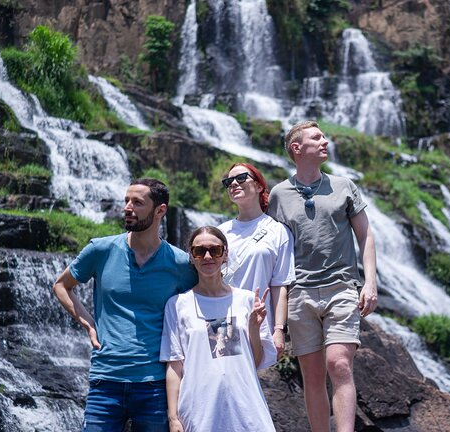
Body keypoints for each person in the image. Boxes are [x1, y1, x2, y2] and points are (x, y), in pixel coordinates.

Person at [53, 178, 197, 432]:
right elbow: (62, 286)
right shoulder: (100, 249)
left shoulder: (181, 264)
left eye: (138, 202)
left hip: (155, 384)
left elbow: (201, 305)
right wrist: (89, 324)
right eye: (126, 201)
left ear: (160, 211)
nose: (127, 207)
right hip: (105, 380)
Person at [267, 121, 378, 432]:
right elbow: (274, 252)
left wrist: (369, 282)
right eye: (317, 138)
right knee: (312, 375)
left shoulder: (344, 186)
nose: (325, 141)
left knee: (339, 364)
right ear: (297, 149)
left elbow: (365, 235)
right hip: (299, 293)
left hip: (342, 288)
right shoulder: (278, 195)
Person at [160, 226, 277, 432]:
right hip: (199, 412)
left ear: (225, 254)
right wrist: (173, 418)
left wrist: (253, 329)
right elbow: (174, 366)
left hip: (244, 409)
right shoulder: (178, 305)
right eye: (199, 251)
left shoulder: (247, 300)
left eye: (214, 250)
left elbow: (254, 362)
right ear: (192, 256)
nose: (207, 256)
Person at [217, 162, 295, 357]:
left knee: (257, 381)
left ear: (260, 186)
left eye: (241, 178)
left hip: (260, 322)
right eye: (229, 181)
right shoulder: (221, 232)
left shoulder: (278, 231)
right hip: (224, 321)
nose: (234, 183)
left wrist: (279, 329)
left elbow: (280, 285)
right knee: (225, 380)